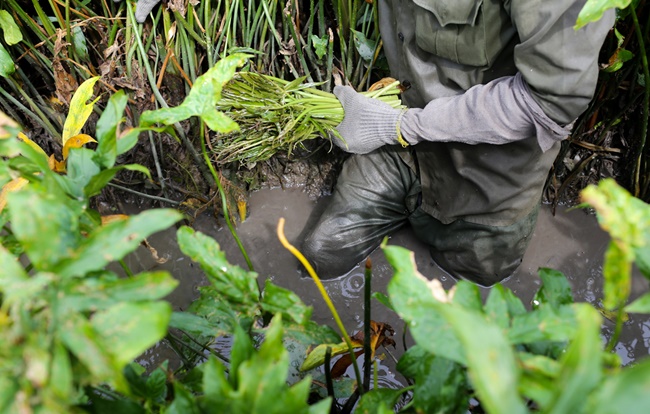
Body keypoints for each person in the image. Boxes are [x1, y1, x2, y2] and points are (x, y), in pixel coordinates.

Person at [301, 0, 615, 286]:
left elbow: (550, 103)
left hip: (492, 179)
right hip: (402, 153)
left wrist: (399, 127)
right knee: (320, 255)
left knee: (472, 294)